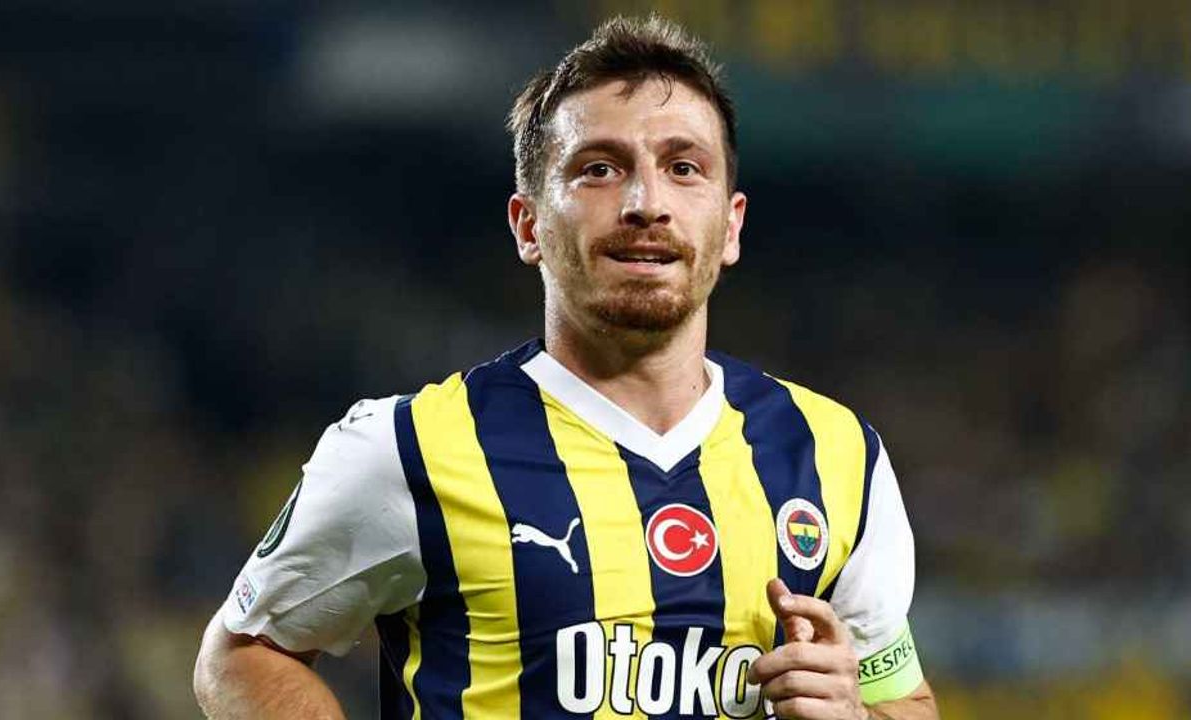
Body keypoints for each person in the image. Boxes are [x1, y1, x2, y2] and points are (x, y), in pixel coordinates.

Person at [194, 14, 938, 720]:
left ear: (731, 224)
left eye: (684, 167)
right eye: (599, 169)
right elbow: (243, 654)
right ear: (529, 226)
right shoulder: (407, 450)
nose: (647, 203)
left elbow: (905, 698)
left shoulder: (836, 457)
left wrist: (853, 712)